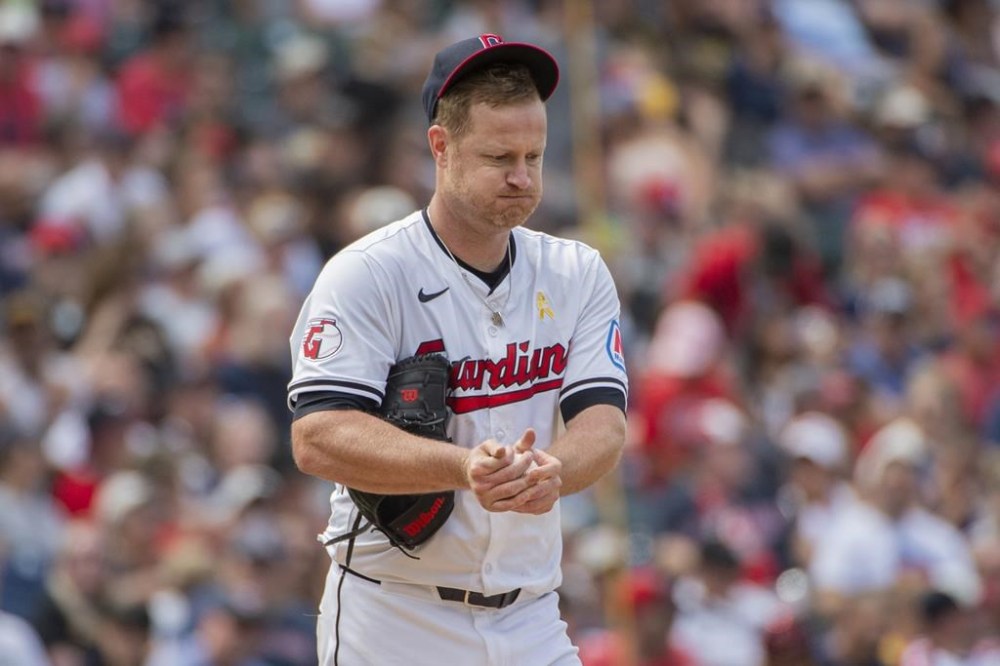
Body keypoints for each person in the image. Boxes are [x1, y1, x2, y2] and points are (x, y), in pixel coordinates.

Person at [287, 34, 629, 665]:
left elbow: (603, 426)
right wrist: (462, 467)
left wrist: (556, 470)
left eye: (535, 155)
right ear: (440, 148)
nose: (522, 177)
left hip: (531, 615)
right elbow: (317, 437)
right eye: (500, 156)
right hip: (395, 613)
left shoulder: (577, 271)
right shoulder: (368, 273)